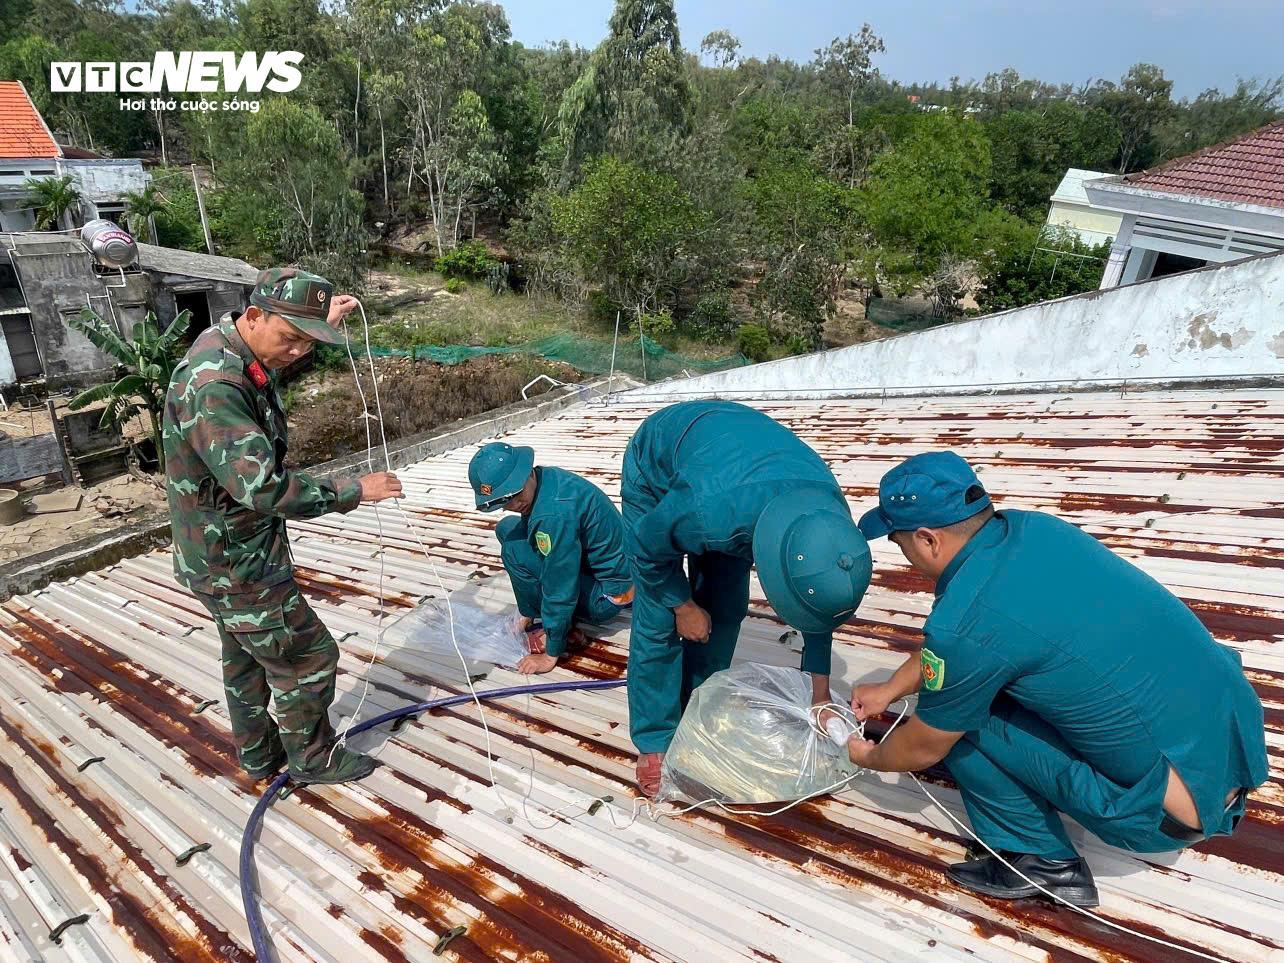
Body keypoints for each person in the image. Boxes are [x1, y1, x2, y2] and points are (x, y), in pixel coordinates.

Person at [848, 451, 1267, 907]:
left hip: (1166, 817)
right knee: (977, 685)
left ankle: (1044, 865)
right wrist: (890, 688)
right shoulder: (1035, 532)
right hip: (1231, 756)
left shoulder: (969, 618)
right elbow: (973, 644)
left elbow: (927, 740)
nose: (902, 553)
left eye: (897, 539)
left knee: (954, 721)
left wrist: (869, 758)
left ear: (928, 539)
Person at [163, 267, 403, 786]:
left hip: (220, 555)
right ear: (254, 316)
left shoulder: (231, 347)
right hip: (238, 563)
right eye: (290, 339)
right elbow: (263, 487)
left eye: (307, 342)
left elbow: (269, 360)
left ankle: (257, 756)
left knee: (247, 660)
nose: (296, 353)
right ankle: (312, 759)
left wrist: (317, 322)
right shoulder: (214, 386)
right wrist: (354, 490)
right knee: (307, 655)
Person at [621, 401, 872, 797]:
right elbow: (645, 548)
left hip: (735, 475)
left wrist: (820, 696)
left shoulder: (828, 521)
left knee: (725, 606)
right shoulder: (707, 512)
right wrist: (682, 606)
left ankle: (698, 702)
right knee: (659, 618)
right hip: (661, 463)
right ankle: (655, 736)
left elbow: (818, 607)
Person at [468, 442, 634, 674]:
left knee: (513, 552)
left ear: (526, 472)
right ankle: (530, 610)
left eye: (516, 495)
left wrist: (551, 653)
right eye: (504, 501)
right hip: (599, 569)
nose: (514, 505)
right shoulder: (545, 479)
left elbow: (560, 585)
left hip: (608, 596)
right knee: (506, 528)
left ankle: (548, 623)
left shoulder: (553, 515)